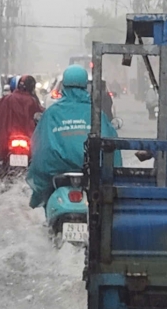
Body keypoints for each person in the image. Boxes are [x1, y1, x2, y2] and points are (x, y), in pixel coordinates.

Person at [27, 65, 118, 209]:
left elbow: (39, 149)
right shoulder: (97, 114)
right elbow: (112, 148)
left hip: (57, 176)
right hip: (93, 177)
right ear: (85, 86)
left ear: (64, 86)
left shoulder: (52, 113)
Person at [0, 75, 44, 174]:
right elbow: (41, 114)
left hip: (8, 136)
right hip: (27, 136)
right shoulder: (32, 101)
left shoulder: (8, 98)